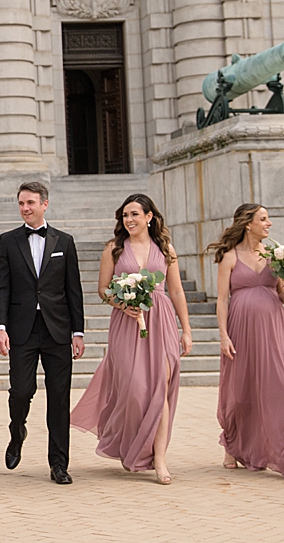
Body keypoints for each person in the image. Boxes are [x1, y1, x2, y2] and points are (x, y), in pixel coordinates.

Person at [71, 194, 194, 484]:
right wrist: (121, 303)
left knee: (159, 390)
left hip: (161, 320)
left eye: (135, 214)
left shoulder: (165, 249)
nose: (130, 220)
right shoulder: (113, 249)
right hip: (126, 324)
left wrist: (186, 330)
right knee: (135, 390)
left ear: (149, 217)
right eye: (126, 215)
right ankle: (131, 444)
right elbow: (103, 289)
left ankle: (159, 459)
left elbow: (175, 291)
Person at [0, 181, 85, 484]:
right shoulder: (8, 241)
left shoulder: (64, 241)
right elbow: (2, 289)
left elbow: (74, 290)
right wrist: (0, 327)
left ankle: (59, 464)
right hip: (22, 330)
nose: (25, 208)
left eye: (30, 203)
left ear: (45, 204)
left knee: (59, 399)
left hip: (57, 330)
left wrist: (78, 331)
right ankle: (16, 432)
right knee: (21, 391)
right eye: (21, 203)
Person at [209, 204, 284, 482]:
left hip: (273, 328)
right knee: (239, 392)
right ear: (248, 224)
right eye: (263, 219)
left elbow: (281, 293)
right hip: (240, 329)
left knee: (283, 389)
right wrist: (223, 334)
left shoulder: (277, 255)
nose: (269, 224)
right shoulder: (229, 257)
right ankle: (233, 443)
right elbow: (223, 299)